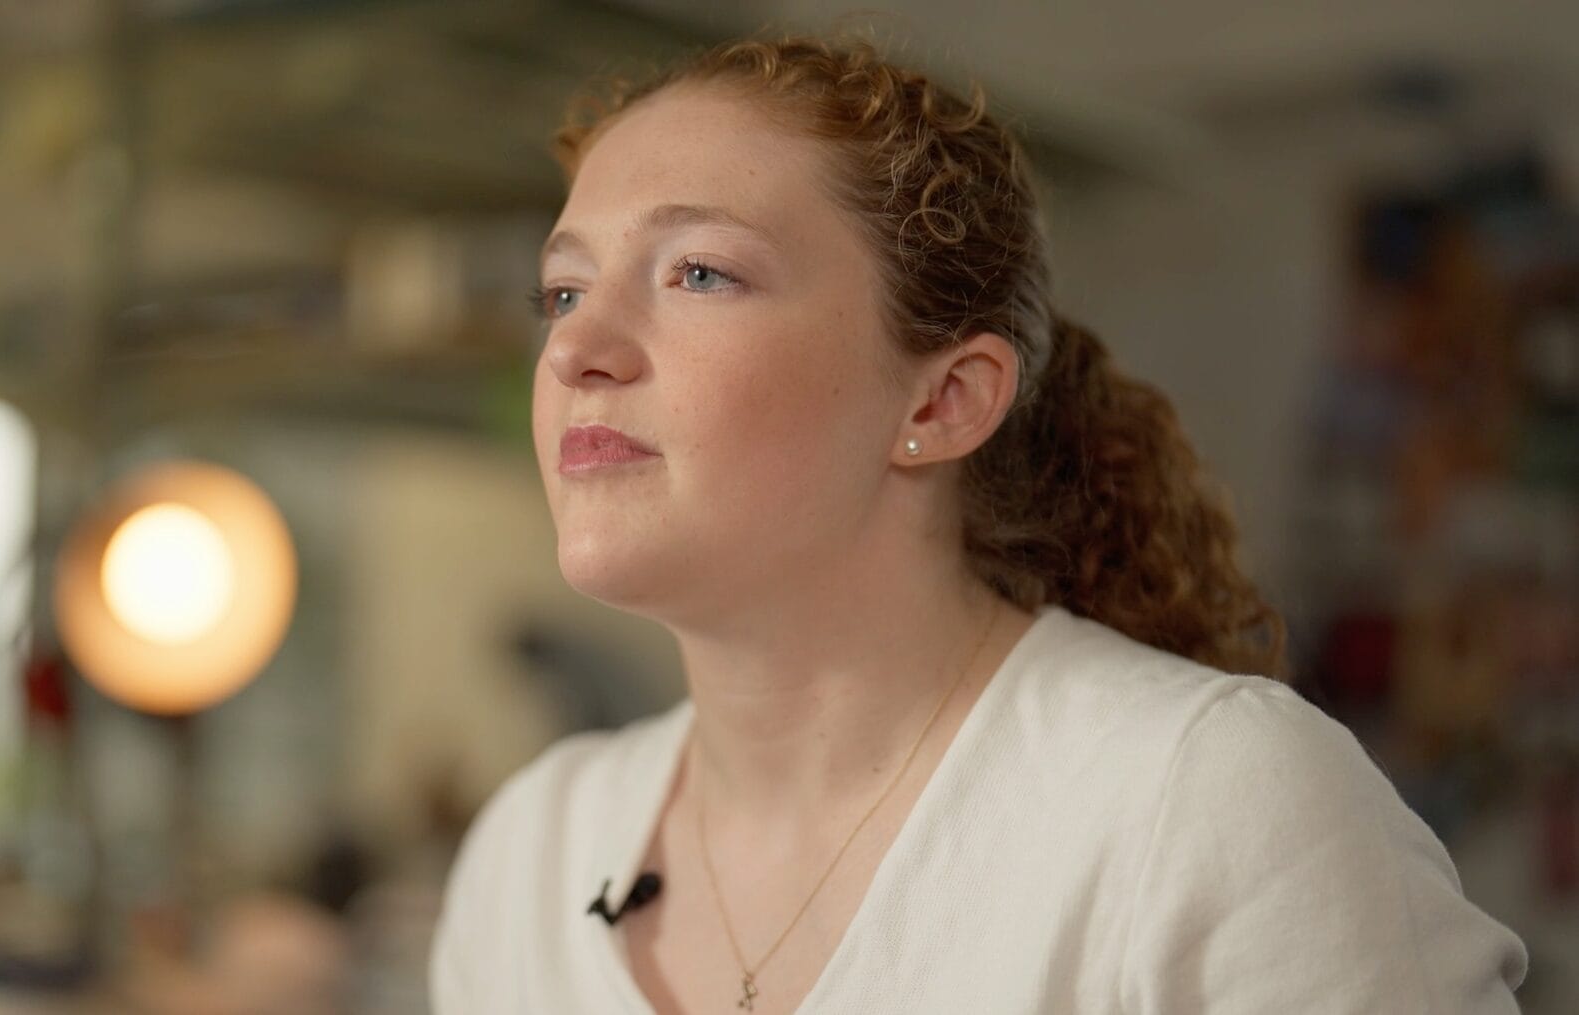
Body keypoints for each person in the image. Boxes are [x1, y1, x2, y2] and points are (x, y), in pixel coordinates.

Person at [429, 33, 1528, 1014]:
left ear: (942, 400)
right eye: (562, 294)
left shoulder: (1208, 807)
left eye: (699, 271)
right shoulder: (532, 851)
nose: (575, 350)